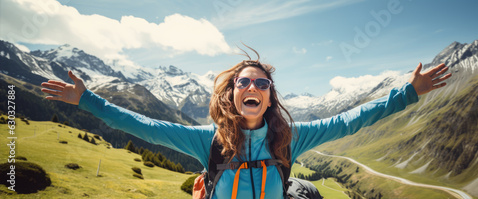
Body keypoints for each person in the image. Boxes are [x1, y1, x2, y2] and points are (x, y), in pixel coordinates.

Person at [41, 49, 451, 199]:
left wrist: (408, 92)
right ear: (232, 94)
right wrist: (87, 100)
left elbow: (350, 120)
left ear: (270, 96)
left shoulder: (290, 138)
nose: (252, 86)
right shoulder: (208, 141)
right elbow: (140, 125)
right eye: (244, 82)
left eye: (261, 82)